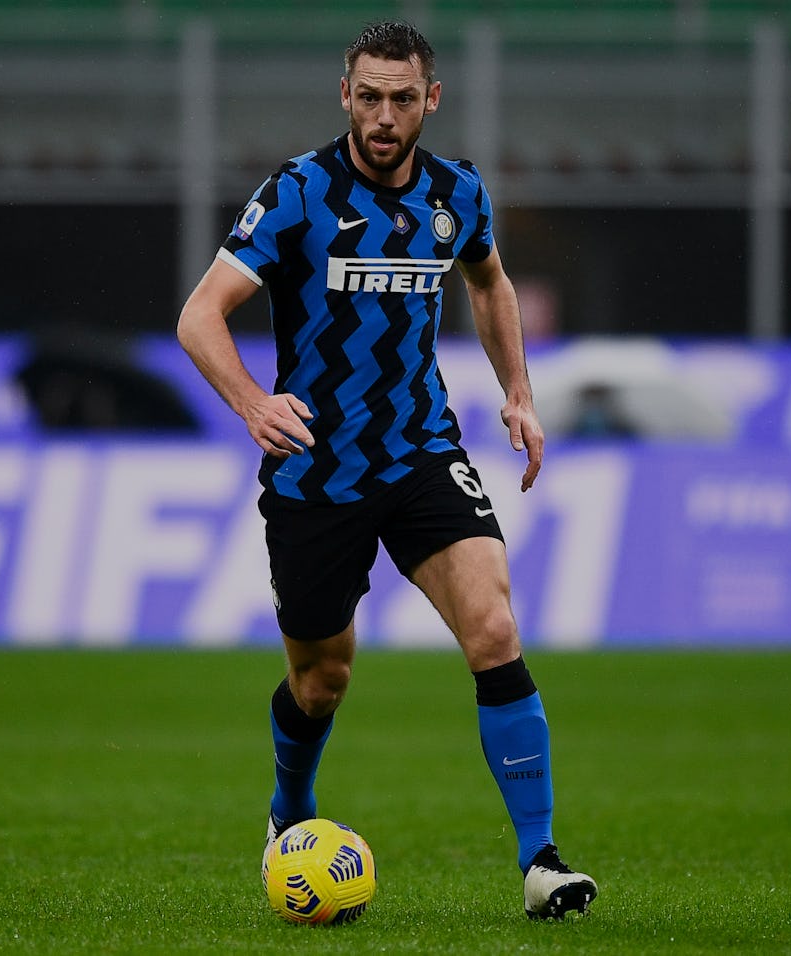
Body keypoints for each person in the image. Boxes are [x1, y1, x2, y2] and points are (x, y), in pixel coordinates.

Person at [177, 20, 597, 921]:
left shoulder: (458, 195)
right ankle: (290, 807)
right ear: (345, 96)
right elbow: (200, 315)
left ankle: (542, 862)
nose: (383, 114)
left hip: (421, 453)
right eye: (368, 95)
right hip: (316, 471)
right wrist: (255, 404)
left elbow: (488, 283)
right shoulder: (298, 193)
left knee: (492, 628)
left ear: (429, 102)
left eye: (402, 98)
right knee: (321, 679)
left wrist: (518, 392)